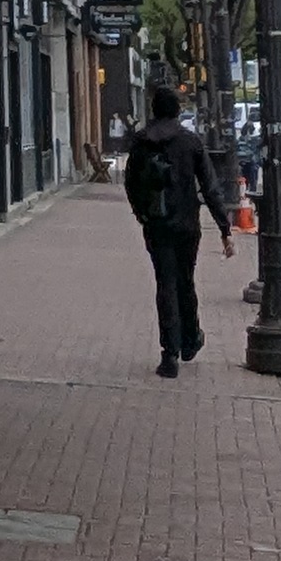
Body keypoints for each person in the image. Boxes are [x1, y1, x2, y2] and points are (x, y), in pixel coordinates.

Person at [121, 70, 235, 372]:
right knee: (185, 281)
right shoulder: (190, 143)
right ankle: (190, 338)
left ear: (154, 110)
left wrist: (141, 213)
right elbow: (209, 187)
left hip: (156, 224)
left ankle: (169, 352)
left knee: (165, 283)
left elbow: (130, 182)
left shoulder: (141, 142)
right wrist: (225, 228)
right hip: (186, 223)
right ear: (177, 111)